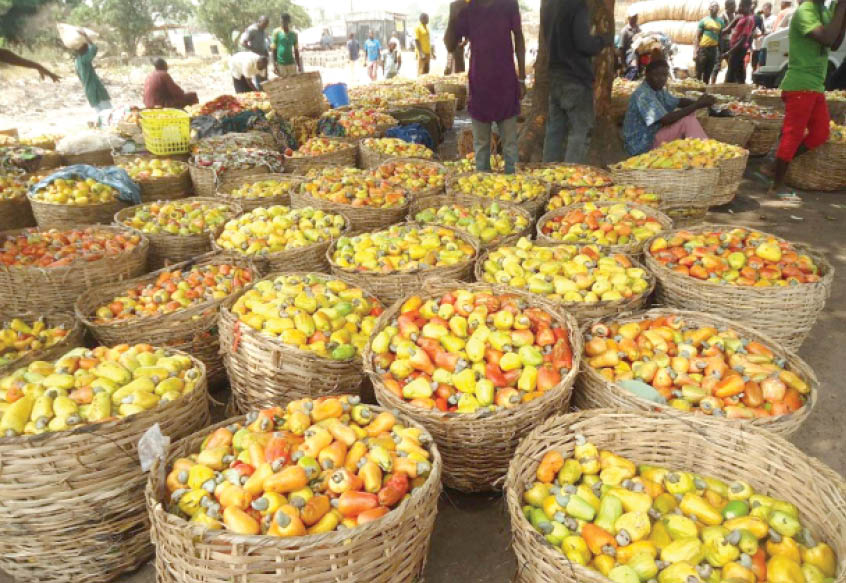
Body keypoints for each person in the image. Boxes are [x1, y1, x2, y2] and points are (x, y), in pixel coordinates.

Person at [764, 0, 846, 198]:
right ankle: (776, 185)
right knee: (793, 134)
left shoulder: (823, 10)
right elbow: (826, 38)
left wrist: (842, 15)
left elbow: (834, 43)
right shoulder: (805, 10)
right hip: (800, 84)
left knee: (820, 133)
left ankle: (776, 164)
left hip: (815, 85)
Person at [446, 0, 526, 174]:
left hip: (506, 85)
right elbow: (450, 45)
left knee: (510, 146)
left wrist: (522, 79)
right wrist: (452, 16)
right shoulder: (467, 8)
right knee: (481, 146)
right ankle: (483, 188)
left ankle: (514, 190)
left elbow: (519, 37)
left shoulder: (509, 4)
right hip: (480, 88)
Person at [542, 0, 614, 163]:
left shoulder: (548, 5)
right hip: (575, 77)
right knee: (580, 131)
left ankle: (547, 175)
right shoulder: (577, 5)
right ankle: (570, 178)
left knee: (555, 130)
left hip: (555, 76)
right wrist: (603, 40)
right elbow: (584, 44)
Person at [622, 59, 715, 156]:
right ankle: (705, 152)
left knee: (689, 115)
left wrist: (699, 102)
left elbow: (678, 101)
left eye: (664, 75)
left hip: (652, 133)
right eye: (656, 75)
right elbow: (666, 119)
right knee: (687, 121)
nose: (661, 78)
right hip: (641, 144)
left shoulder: (657, 89)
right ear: (647, 74)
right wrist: (697, 105)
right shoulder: (643, 94)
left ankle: (699, 150)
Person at [75, 35, 111, 112]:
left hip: (88, 91)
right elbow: (94, 48)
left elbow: (80, 77)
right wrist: (85, 36)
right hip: (96, 90)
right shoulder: (84, 59)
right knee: (108, 112)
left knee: (99, 114)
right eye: (87, 49)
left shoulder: (77, 61)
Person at [723, 0, 756, 83]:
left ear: (748, 7)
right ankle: (741, 86)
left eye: (742, 6)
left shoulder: (749, 19)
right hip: (736, 48)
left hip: (739, 49)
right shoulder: (741, 17)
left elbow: (743, 39)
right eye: (739, 6)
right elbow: (727, 29)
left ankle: (727, 90)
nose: (739, 8)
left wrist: (730, 52)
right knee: (739, 69)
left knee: (731, 71)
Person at [695, 2, 725, 83]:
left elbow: (721, 37)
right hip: (703, 49)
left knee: (708, 72)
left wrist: (721, 51)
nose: (715, 8)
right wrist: (695, 51)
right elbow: (697, 37)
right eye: (713, 6)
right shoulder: (704, 21)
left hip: (713, 49)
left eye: (717, 6)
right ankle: (695, 90)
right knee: (699, 71)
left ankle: (704, 90)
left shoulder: (721, 22)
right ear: (709, 8)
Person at [712, 0, 737, 83]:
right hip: (722, 41)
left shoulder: (733, 15)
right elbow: (720, 31)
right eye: (733, 6)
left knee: (731, 63)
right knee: (717, 64)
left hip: (729, 41)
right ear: (728, 7)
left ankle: (728, 83)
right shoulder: (722, 17)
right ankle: (712, 83)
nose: (735, 7)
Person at [270, 13, 302, 77]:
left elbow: (296, 50)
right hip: (280, 64)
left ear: (288, 22)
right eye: (281, 21)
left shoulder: (294, 34)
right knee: (283, 84)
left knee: (293, 82)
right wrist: (274, 64)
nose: (283, 23)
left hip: (291, 63)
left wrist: (298, 65)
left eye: (285, 21)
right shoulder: (276, 32)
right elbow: (273, 50)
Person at [751, 2, 773, 70]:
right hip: (756, 45)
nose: (764, 10)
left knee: (762, 63)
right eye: (763, 8)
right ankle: (753, 77)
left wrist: (761, 34)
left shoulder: (774, 18)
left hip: (765, 46)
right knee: (754, 64)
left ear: (770, 9)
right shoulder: (759, 17)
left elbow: (772, 31)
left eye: (766, 9)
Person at [619, 12, 641, 77]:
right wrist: (623, 65)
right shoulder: (625, 31)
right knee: (634, 69)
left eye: (636, 17)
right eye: (633, 17)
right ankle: (628, 79)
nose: (635, 19)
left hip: (639, 52)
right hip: (630, 53)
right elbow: (621, 49)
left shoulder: (638, 29)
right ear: (629, 18)